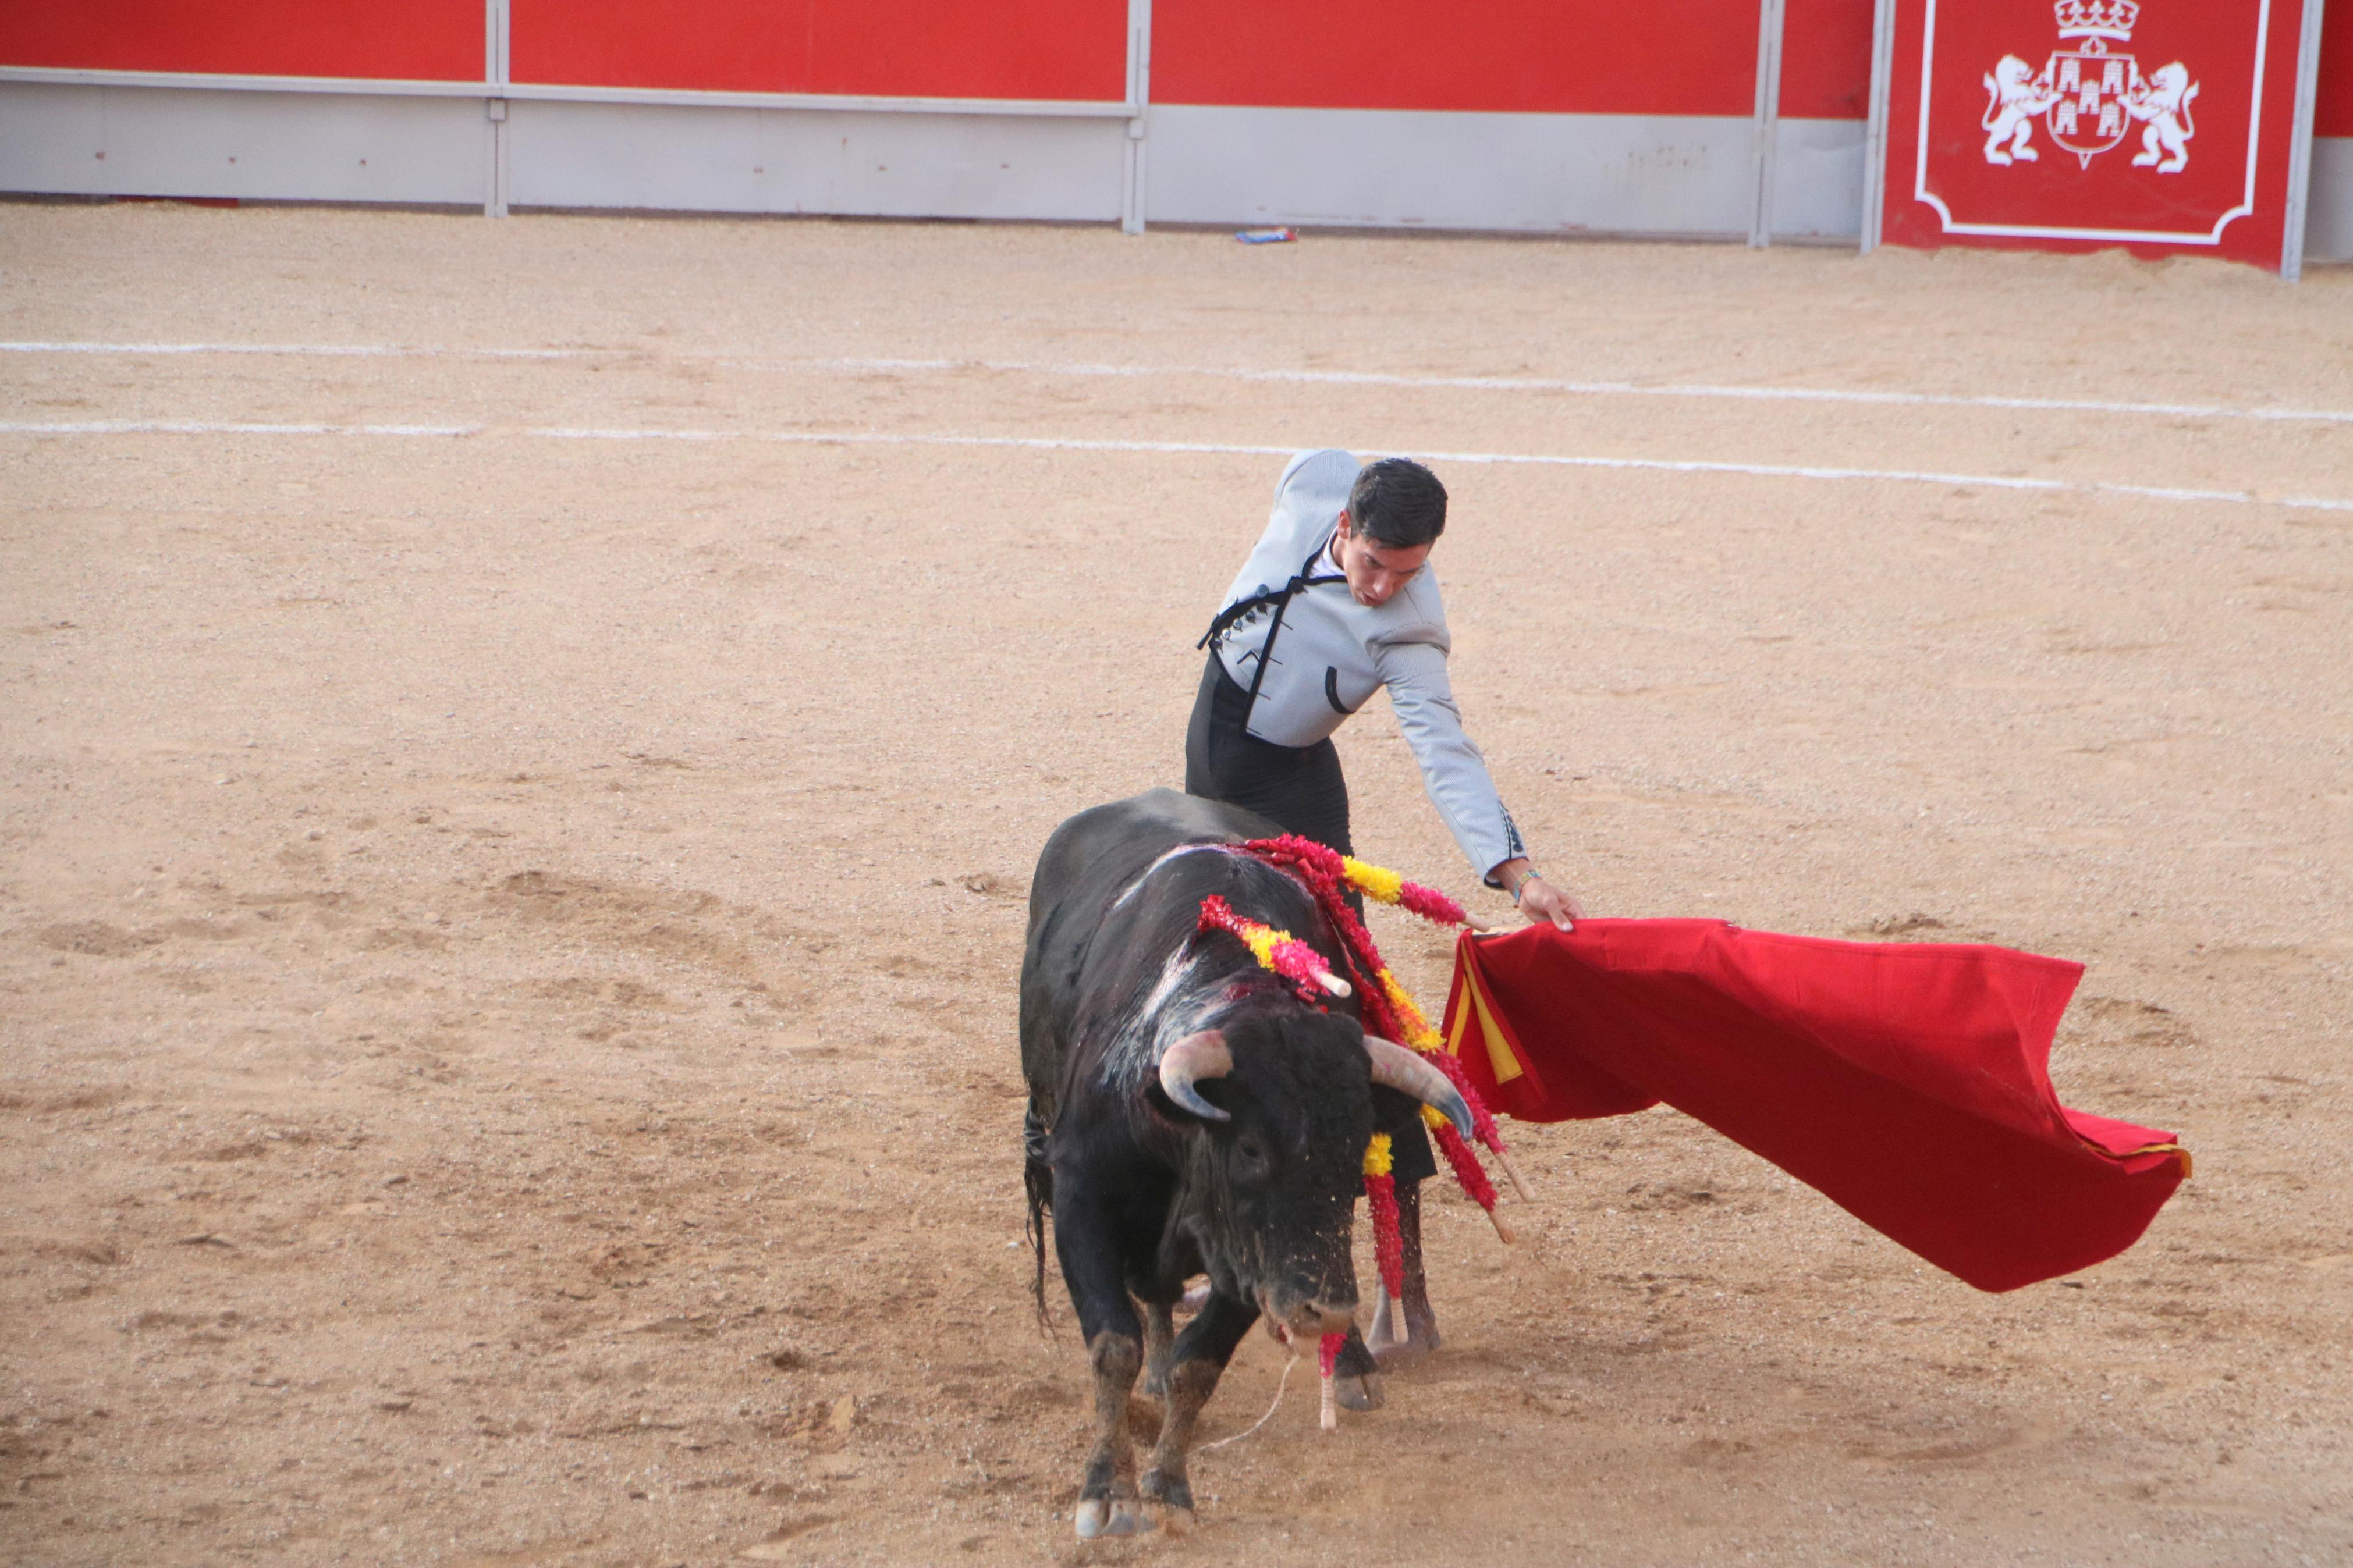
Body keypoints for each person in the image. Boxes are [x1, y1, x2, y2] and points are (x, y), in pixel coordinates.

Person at [1183, 447, 1584, 1373]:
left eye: (1408, 573)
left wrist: (1514, 872)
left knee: (1351, 1014)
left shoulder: (1410, 629)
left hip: (1291, 785)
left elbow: (1445, 749)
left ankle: (1409, 1292)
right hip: (1213, 762)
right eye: (1372, 565)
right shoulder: (1314, 480)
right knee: (1221, 992)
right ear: (1343, 527)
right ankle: (1230, 1251)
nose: (1382, 591)